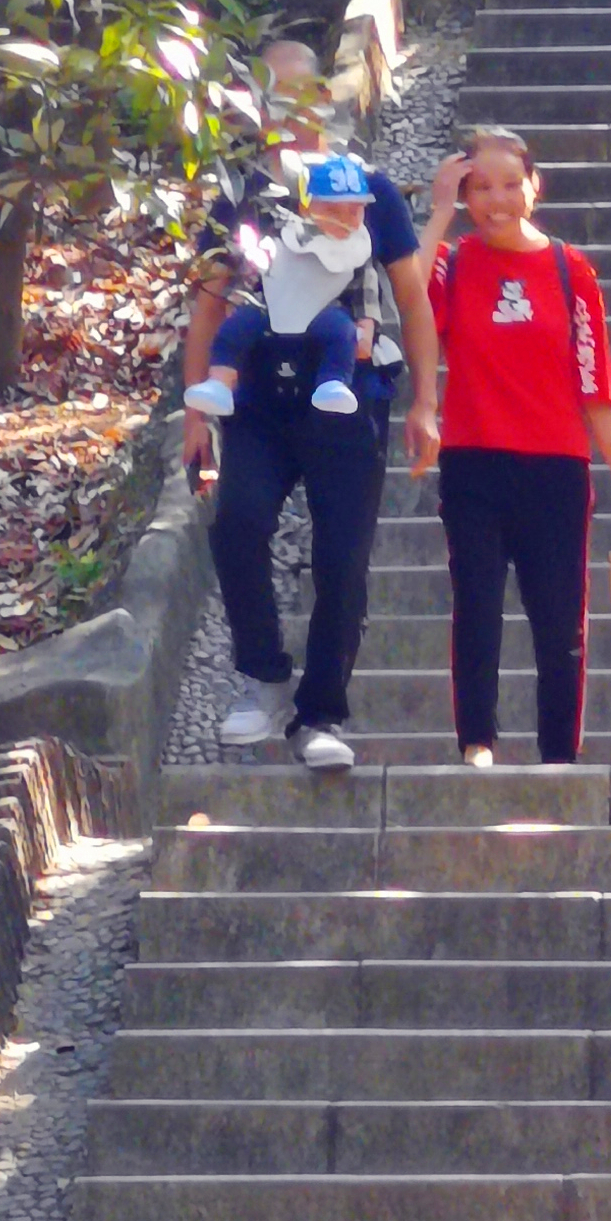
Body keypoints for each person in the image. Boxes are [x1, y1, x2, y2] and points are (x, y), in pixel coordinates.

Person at [179, 38, 440, 771]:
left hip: (348, 394)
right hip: (259, 398)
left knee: (342, 561)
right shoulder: (240, 197)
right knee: (238, 524)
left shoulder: (370, 187)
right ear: (255, 108)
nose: (291, 114)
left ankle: (321, 713)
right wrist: (196, 413)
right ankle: (263, 675)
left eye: (304, 97)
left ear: (325, 99)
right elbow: (207, 304)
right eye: (274, 99)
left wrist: (426, 401)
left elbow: (411, 299)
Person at [417, 127, 611, 766]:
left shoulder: (570, 270)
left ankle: (558, 758)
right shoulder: (453, 261)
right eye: (479, 188)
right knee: (477, 608)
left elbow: (593, 376)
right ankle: (477, 743)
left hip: (556, 467)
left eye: (509, 184)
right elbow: (406, 299)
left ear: (534, 186)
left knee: (560, 627)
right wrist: (438, 210)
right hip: (474, 464)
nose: (497, 199)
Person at [185, 150, 378, 420]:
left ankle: (333, 382)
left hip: (323, 312)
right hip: (272, 308)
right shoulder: (284, 234)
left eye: (354, 211)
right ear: (305, 207)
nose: (343, 220)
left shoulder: (358, 248)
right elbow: (258, 268)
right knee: (235, 327)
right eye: (332, 210)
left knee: (341, 331)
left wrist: (366, 324)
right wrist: (237, 300)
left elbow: (365, 290)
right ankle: (219, 382)